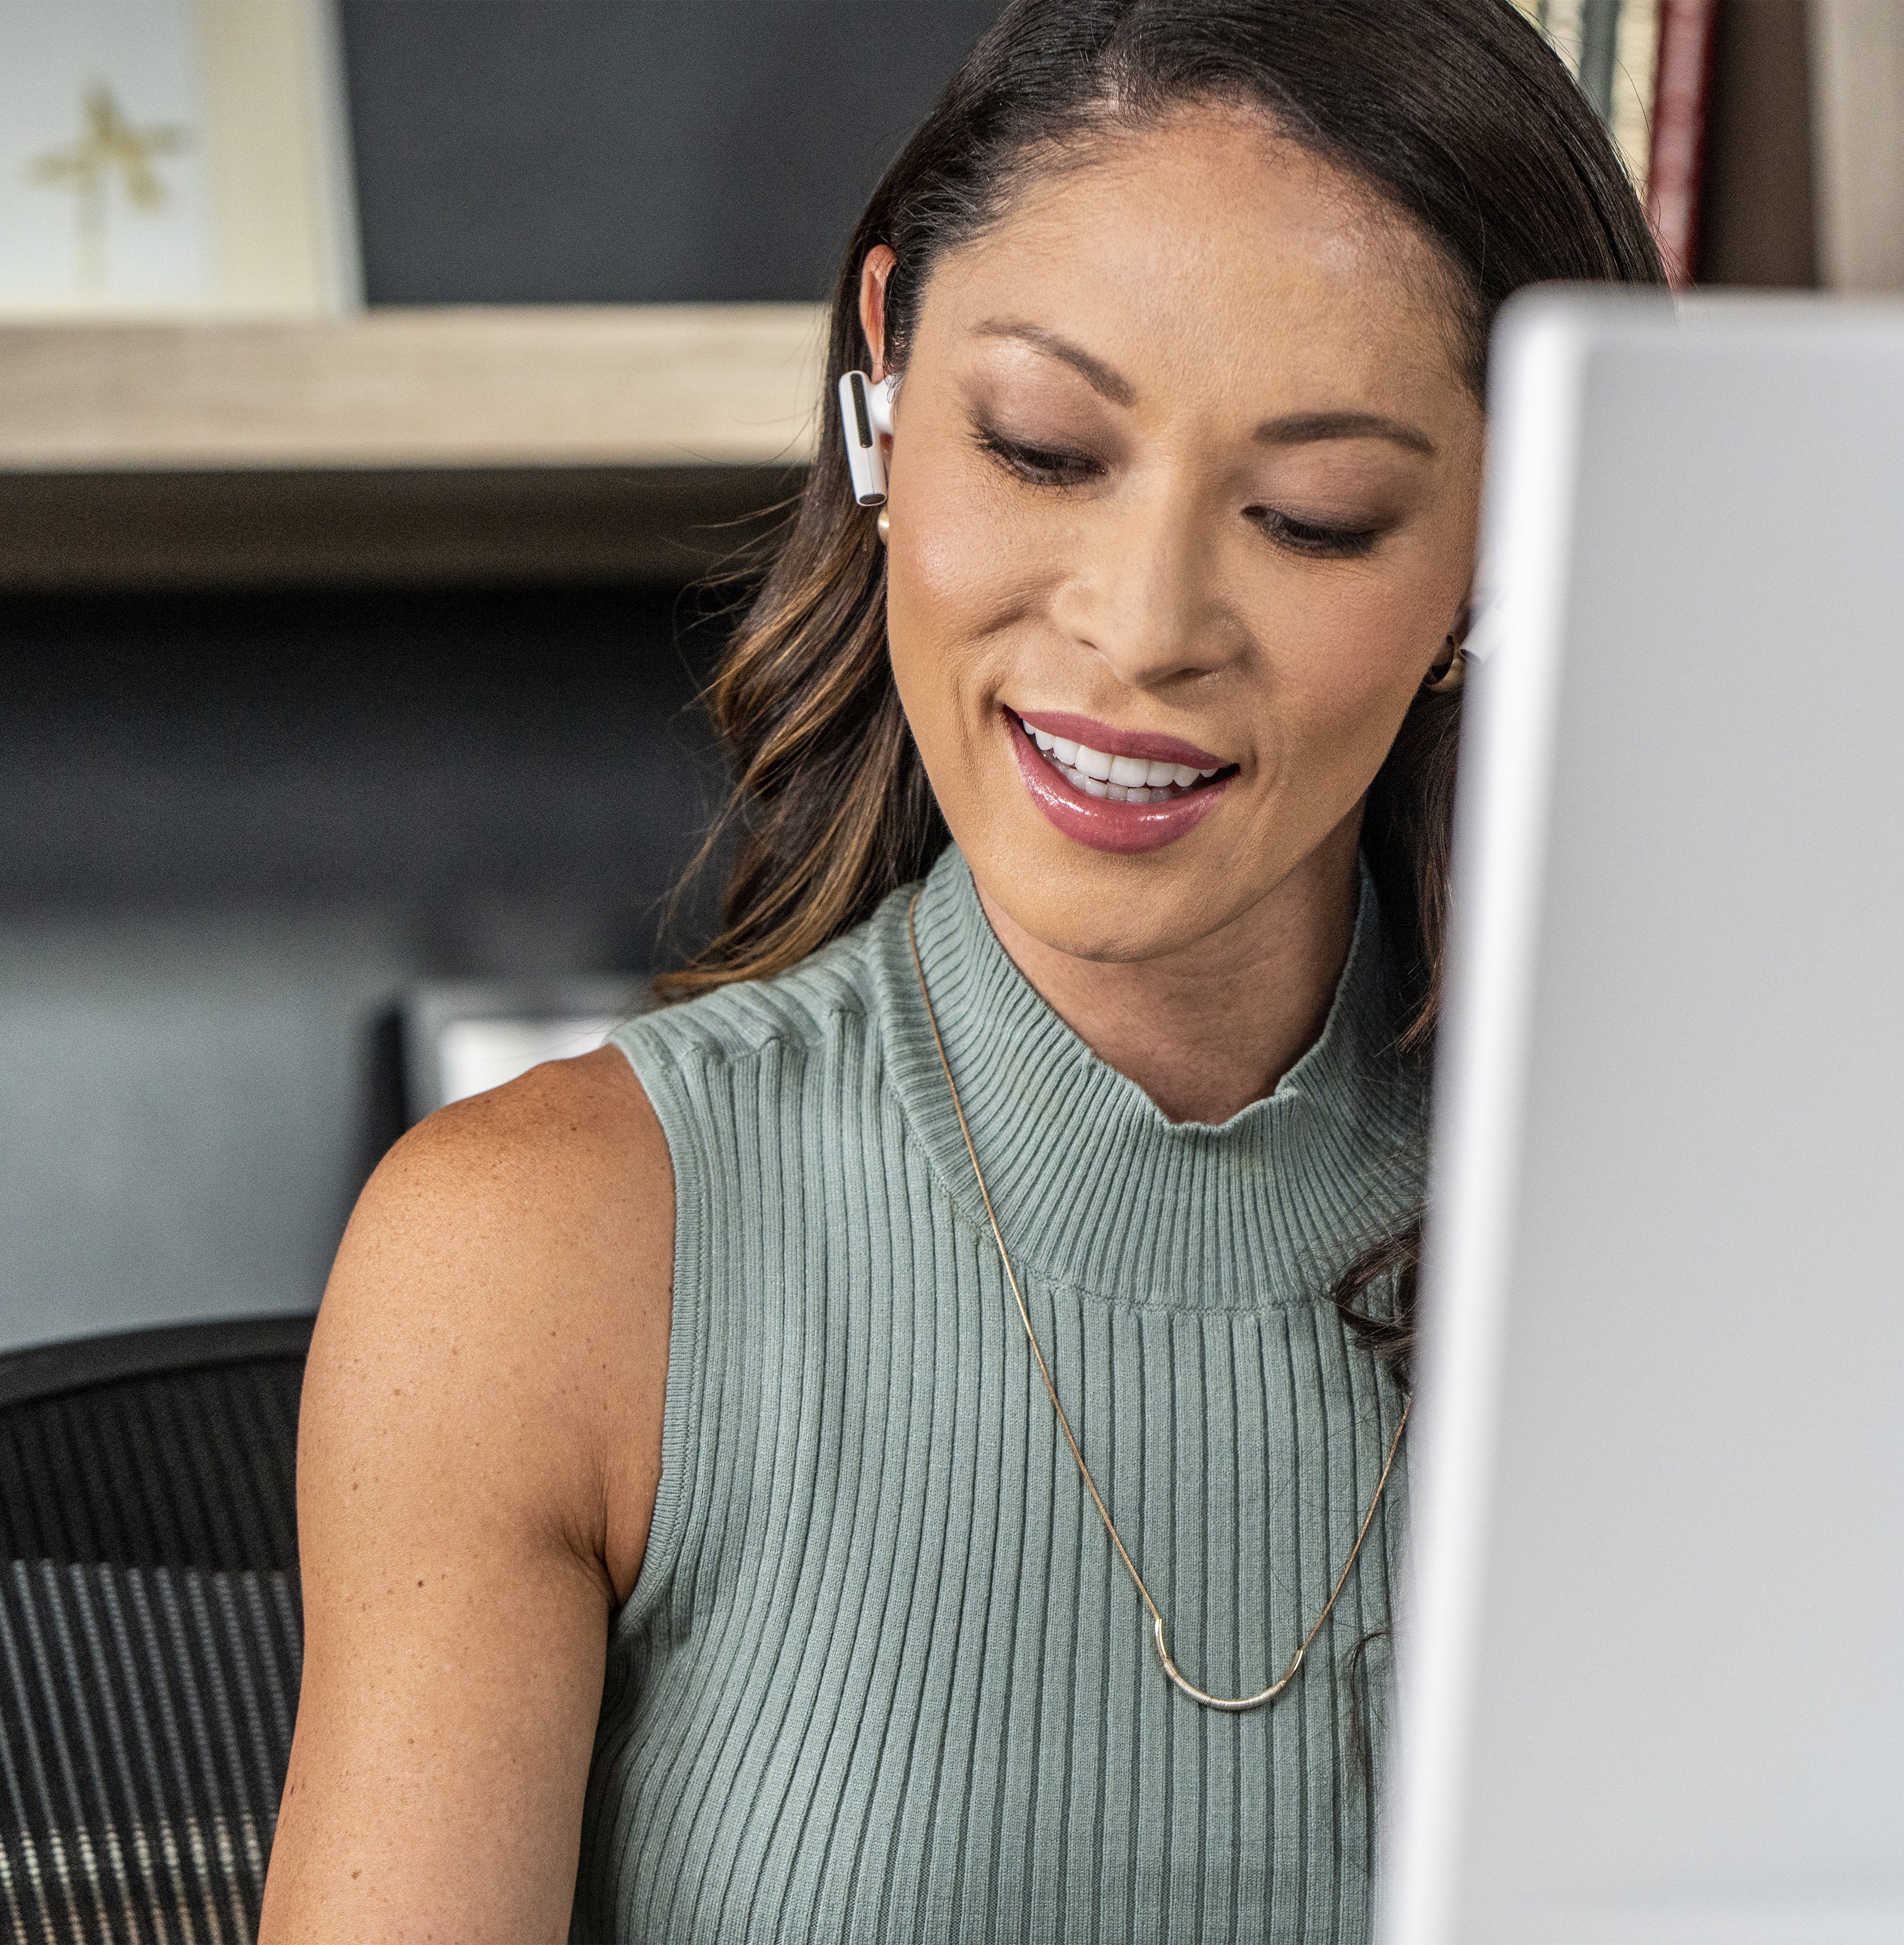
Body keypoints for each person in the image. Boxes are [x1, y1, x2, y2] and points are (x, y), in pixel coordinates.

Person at [260, 1, 1662, 1935]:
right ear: (889, 384)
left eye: (1312, 519)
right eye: (1046, 449)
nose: (1143, 626)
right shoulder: (539, 1263)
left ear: (1503, 551)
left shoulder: (1688, 1249)